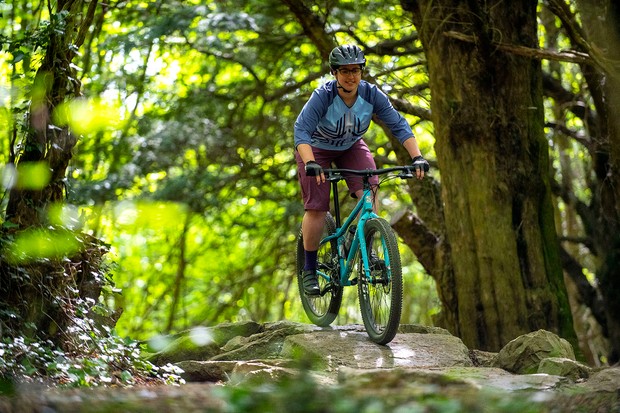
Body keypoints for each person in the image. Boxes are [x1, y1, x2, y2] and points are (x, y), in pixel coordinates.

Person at [294, 44, 429, 296]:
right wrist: (310, 162)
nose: (351, 76)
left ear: (362, 71)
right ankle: (309, 270)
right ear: (334, 73)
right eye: (344, 71)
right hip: (315, 149)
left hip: (351, 146)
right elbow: (301, 131)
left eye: (355, 70)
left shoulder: (371, 94)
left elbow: (398, 125)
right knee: (316, 208)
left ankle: (368, 244)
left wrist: (417, 157)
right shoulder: (322, 96)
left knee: (371, 190)